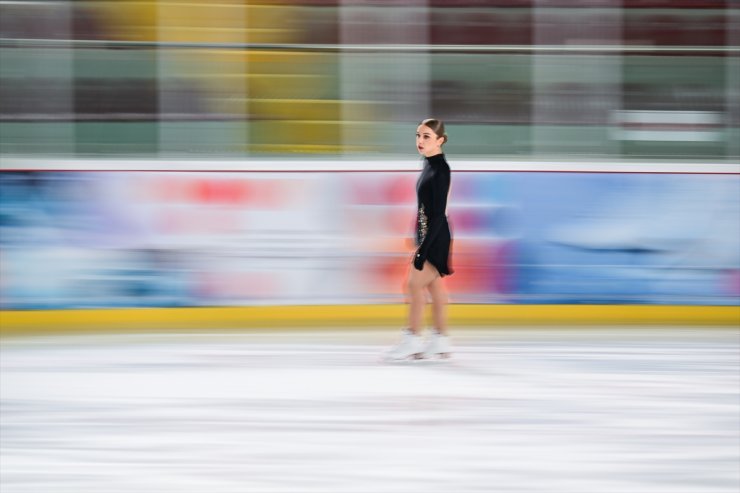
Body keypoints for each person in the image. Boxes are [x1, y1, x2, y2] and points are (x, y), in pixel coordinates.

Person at [385, 118, 453, 361]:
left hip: (435, 237)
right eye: (418, 135)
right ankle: (441, 340)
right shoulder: (428, 165)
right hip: (427, 235)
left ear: (440, 140)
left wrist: (424, 249)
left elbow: (437, 214)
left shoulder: (441, 170)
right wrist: (415, 236)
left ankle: (412, 339)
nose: (420, 141)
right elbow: (424, 208)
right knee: (434, 287)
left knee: (413, 285)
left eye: (427, 137)